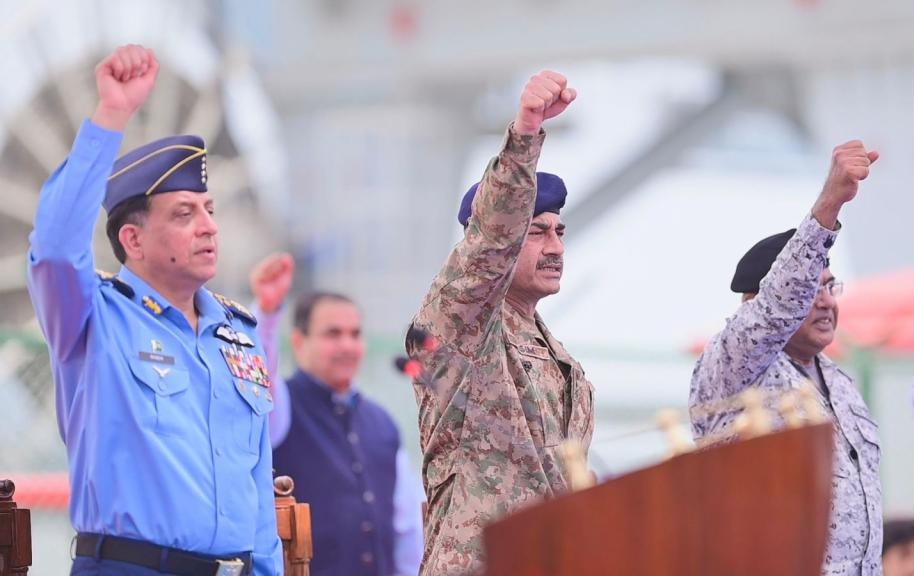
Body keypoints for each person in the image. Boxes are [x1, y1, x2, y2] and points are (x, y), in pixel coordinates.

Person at [26, 45, 281, 575]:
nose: (209, 226)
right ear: (132, 240)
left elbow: (255, 480)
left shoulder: (237, 337)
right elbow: (53, 249)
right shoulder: (93, 319)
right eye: (185, 214)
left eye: (209, 211)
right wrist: (111, 116)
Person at [406, 71, 595, 575]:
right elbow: (490, 242)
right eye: (536, 232)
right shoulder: (459, 326)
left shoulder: (561, 360)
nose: (555, 246)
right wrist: (526, 132)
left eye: (559, 232)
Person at [690, 141, 883, 575]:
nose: (825, 303)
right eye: (809, 290)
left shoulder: (840, 383)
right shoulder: (736, 365)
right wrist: (830, 203)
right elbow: (779, 307)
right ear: (759, 303)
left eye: (830, 287)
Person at [249, 253, 424, 576]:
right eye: (333, 334)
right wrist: (269, 315)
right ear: (299, 343)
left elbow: (407, 527)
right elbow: (260, 373)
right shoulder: (281, 407)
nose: (347, 345)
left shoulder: (381, 422)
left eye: (355, 334)